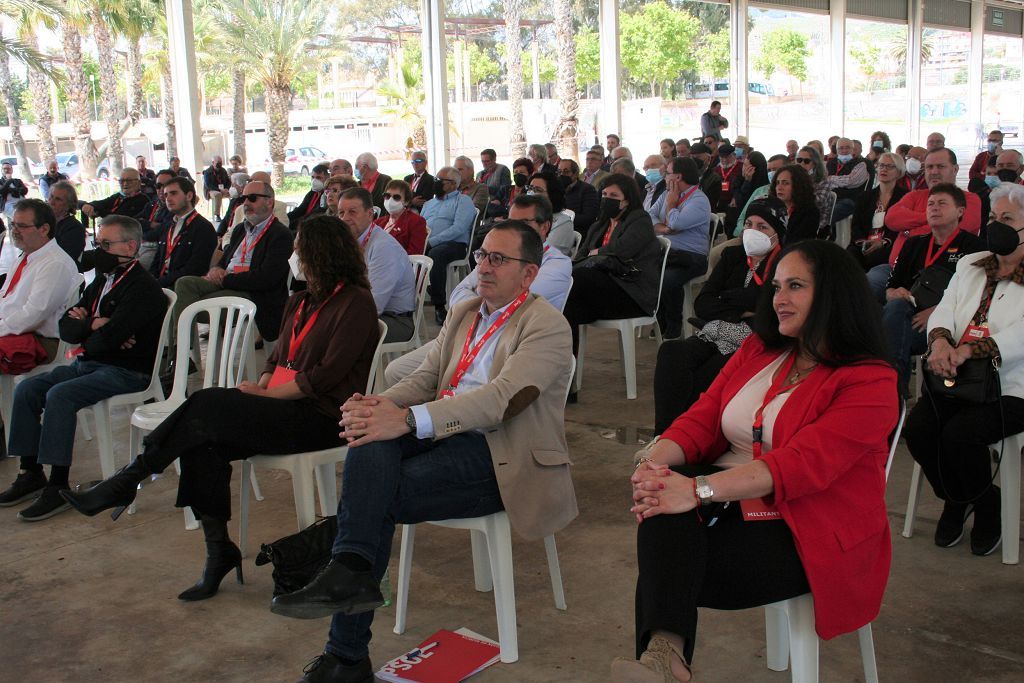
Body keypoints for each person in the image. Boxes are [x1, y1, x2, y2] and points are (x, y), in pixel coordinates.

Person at [265, 220, 576, 683]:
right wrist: (380, 403)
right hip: (443, 435)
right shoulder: (467, 311)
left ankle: (345, 645)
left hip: (500, 456)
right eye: (482, 256)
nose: (483, 267)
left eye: (498, 259)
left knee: (375, 497)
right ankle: (348, 577)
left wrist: (408, 419)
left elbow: (501, 401)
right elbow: (427, 379)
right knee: (371, 439)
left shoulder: (546, 326)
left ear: (529, 274)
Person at [613, 239, 897, 682]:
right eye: (777, 285)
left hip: (809, 528)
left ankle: (663, 657)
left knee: (666, 552)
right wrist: (651, 463)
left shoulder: (870, 382)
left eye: (796, 286)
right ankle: (663, 662)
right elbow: (702, 420)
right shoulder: (761, 351)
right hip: (732, 507)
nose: (779, 298)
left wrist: (694, 490)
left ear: (833, 295)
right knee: (664, 510)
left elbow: (800, 465)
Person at [61, 214, 381, 601]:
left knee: (206, 403)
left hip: (323, 416)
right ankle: (219, 551)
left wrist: (262, 397)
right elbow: (275, 357)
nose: (294, 256)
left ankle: (131, 479)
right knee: (201, 442)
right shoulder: (300, 300)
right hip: (280, 405)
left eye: (300, 250)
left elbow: (324, 378)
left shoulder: (355, 303)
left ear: (321, 255)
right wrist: (261, 386)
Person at [0, 215, 167, 521]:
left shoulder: (143, 288)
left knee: (61, 395)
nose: (98, 250)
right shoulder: (105, 279)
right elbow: (67, 327)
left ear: (130, 246)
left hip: (126, 371)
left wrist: (92, 330)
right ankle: (30, 471)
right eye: (97, 243)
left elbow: (110, 339)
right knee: (28, 389)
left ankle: (58, 485)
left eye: (106, 244)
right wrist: (95, 325)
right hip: (92, 363)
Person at [903, 182, 1024, 557]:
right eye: (993, 216)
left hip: (1010, 387)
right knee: (920, 430)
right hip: (957, 379)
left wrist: (970, 350)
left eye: (1007, 218)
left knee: (959, 436)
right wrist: (940, 341)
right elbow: (945, 308)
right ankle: (968, 496)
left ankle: (981, 506)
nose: (996, 225)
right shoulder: (973, 264)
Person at [383, 195, 573, 387]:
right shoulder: (493, 256)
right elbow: (458, 294)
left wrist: (477, 296)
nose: (514, 230)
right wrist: (480, 301)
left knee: (465, 390)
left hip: (509, 343)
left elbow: (511, 300)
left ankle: (433, 412)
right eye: (511, 222)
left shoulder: (557, 264)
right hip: (469, 332)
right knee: (397, 371)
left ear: (544, 227)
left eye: (524, 223)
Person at [653, 197, 788, 433]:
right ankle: (664, 435)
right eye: (749, 224)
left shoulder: (785, 264)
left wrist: (727, 298)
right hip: (715, 332)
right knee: (672, 352)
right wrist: (745, 305)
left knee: (707, 373)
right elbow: (703, 303)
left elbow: (771, 309)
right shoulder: (732, 256)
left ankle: (686, 435)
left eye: (762, 227)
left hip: (753, 341)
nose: (752, 232)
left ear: (777, 233)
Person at [883, 184, 984, 397]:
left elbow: (978, 296)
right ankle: (894, 388)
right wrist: (894, 293)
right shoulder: (913, 244)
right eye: (930, 204)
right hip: (909, 320)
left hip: (950, 326)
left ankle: (891, 387)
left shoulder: (975, 247)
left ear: (960, 211)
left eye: (942, 203)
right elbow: (890, 286)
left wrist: (937, 313)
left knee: (889, 334)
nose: (934, 208)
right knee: (896, 307)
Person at [173, 180, 292, 348]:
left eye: (252, 198)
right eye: (244, 198)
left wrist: (225, 279)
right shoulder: (240, 230)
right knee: (184, 284)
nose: (246, 203)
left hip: (252, 293)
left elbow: (266, 278)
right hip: (226, 283)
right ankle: (181, 349)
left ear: (269, 201)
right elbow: (224, 261)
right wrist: (216, 269)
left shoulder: (280, 235)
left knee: (191, 306)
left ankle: (179, 355)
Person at [564, 174, 662, 370]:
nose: (607, 199)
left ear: (627, 199)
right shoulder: (600, 223)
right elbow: (582, 255)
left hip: (630, 292)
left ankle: (567, 372)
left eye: (614, 195)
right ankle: (567, 374)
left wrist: (596, 253)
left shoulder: (639, 219)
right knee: (567, 311)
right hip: (603, 292)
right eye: (605, 194)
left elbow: (622, 250)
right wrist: (593, 255)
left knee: (578, 278)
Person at [0, 199, 78, 380]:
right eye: (13, 224)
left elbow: (33, 315)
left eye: (22, 226)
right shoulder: (28, 255)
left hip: (41, 340)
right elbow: (5, 296)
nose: (14, 231)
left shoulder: (55, 264)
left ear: (44, 229)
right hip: (16, 330)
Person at [336, 188, 416, 343]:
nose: (345, 218)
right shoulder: (349, 241)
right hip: (361, 311)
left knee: (335, 336)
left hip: (392, 320)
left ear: (370, 214)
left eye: (352, 212)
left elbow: (373, 305)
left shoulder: (383, 247)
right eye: (341, 213)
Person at [647, 158, 711, 340]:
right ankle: (660, 320)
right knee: (648, 272)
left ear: (678, 176)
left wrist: (671, 205)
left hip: (692, 257)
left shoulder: (699, 200)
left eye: (667, 172)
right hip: (668, 254)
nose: (664, 176)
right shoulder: (666, 194)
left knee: (668, 279)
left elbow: (676, 224)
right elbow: (649, 217)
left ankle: (674, 324)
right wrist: (663, 228)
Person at [886, 148, 983, 268]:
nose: (934, 172)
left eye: (940, 166)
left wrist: (908, 231)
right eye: (929, 167)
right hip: (894, 269)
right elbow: (891, 219)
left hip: (941, 274)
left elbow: (950, 232)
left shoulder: (970, 199)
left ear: (955, 169)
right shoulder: (915, 195)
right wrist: (932, 218)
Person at [421, 166, 477, 323]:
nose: (435, 183)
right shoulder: (429, 204)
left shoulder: (463, 201)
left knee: (435, 255)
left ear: (453, 184)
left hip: (454, 245)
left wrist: (432, 241)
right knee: (404, 253)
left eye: (439, 181)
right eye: (435, 180)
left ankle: (439, 307)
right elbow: (420, 225)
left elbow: (458, 228)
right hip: (427, 243)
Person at [848, 152, 909, 297]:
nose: (884, 169)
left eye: (889, 166)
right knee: (848, 257)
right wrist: (863, 242)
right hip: (864, 244)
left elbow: (904, 227)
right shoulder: (865, 197)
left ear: (899, 172)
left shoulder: (906, 197)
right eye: (881, 165)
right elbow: (856, 225)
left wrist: (883, 242)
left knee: (878, 257)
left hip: (889, 245)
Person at [150, 177, 218, 288]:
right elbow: (157, 260)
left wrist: (158, 284)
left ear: (189, 196)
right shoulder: (168, 226)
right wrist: (151, 279)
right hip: (162, 284)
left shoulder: (203, 227)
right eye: (166, 195)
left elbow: (195, 268)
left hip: (181, 286)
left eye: (173, 193)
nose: (168, 198)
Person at [373, 179, 428, 256]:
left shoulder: (416, 222)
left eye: (396, 197)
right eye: (387, 196)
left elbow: (415, 253)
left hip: (399, 265)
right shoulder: (378, 222)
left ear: (406, 201)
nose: (390, 200)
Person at [526, 171, 574, 257]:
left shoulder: (563, 223)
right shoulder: (526, 216)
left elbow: (545, 253)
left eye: (537, 190)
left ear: (552, 195)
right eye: (530, 188)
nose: (531, 193)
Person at [769, 163, 820, 243]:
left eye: (785, 183)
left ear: (798, 185)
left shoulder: (809, 212)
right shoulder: (772, 208)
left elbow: (795, 243)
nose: (779, 187)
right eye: (777, 183)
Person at [81, 168, 153, 225]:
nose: (125, 184)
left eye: (129, 180)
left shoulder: (143, 200)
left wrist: (99, 211)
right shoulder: (118, 196)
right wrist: (89, 205)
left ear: (139, 182)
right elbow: (102, 203)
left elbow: (120, 219)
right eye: (122, 181)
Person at [824, 138, 870, 225]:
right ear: (836, 151)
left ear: (853, 149)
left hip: (849, 200)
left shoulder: (861, 164)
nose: (844, 150)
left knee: (829, 214)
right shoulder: (830, 163)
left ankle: (822, 232)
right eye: (841, 148)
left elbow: (851, 181)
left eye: (847, 147)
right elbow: (823, 181)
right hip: (830, 198)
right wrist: (838, 181)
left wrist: (831, 179)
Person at [46, 180, 87, 263]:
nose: (52, 202)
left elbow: (64, 259)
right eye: (51, 197)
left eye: (58, 199)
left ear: (69, 205)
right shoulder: (44, 222)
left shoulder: (74, 228)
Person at [559, 158, 599, 235]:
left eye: (566, 172)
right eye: (559, 171)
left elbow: (588, 218)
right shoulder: (556, 189)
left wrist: (561, 218)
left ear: (576, 174)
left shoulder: (587, 190)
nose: (562, 175)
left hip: (576, 232)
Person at [287, 163, 329, 229]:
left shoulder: (327, 196)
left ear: (327, 179)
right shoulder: (312, 192)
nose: (314, 180)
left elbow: (314, 215)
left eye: (318, 178)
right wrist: (284, 218)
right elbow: (300, 210)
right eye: (312, 177)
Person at [477, 148, 510, 218]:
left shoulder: (503, 170)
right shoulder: (479, 174)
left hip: (495, 206)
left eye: (487, 161)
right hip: (481, 205)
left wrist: (484, 189)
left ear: (494, 159)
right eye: (482, 161)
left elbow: (505, 189)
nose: (484, 164)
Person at [689, 143, 722, 211]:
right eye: (692, 157)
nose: (694, 160)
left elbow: (710, 204)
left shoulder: (714, 179)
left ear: (709, 159)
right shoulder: (686, 176)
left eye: (698, 157)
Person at [218, 171, 251, 236]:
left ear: (242, 187)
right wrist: (219, 234)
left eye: (233, 185)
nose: (231, 188)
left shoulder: (249, 202)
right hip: (228, 233)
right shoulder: (234, 200)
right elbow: (226, 219)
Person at [202, 156, 231, 222]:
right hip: (211, 190)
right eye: (218, 163)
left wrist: (226, 188)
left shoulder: (223, 170)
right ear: (213, 162)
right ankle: (217, 215)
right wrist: (220, 190)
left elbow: (228, 181)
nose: (220, 164)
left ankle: (231, 214)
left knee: (234, 193)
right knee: (218, 194)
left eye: (221, 163)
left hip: (223, 189)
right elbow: (208, 185)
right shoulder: (207, 172)